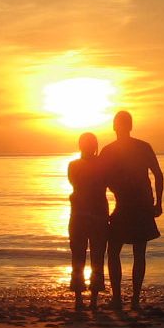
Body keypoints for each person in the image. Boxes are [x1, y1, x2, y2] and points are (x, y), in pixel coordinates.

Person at [102, 110, 163, 313]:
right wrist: (158, 203)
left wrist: (158, 203)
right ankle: (130, 299)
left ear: (114, 126)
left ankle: (120, 298)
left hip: (131, 205)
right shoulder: (140, 147)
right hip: (137, 205)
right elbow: (158, 175)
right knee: (135, 253)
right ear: (130, 126)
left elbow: (101, 181)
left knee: (116, 252)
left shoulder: (111, 150)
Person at [66, 132, 108, 307]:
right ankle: (93, 301)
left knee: (78, 257)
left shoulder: (73, 165)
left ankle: (79, 300)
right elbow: (106, 184)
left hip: (79, 215)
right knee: (97, 258)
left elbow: (74, 184)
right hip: (96, 215)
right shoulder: (102, 165)